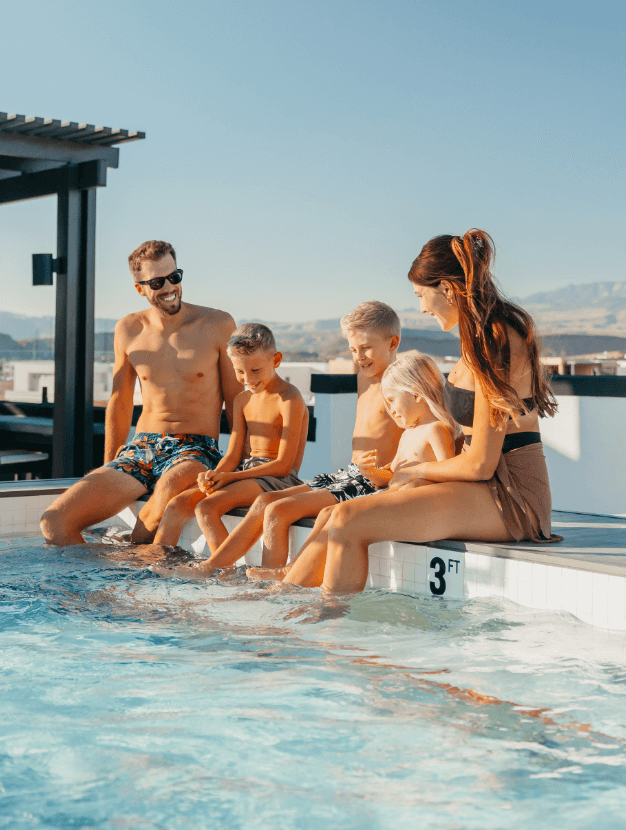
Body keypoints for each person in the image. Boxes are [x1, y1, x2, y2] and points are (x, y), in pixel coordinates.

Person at [316, 229, 561, 594]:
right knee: (335, 513)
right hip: (484, 488)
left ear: (447, 288)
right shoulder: (479, 340)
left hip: (512, 498)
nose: (421, 308)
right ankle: (294, 613)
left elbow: (480, 464)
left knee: (350, 518)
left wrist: (417, 469)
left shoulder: (495, 342)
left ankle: (336, 636)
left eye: (421, 295)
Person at [40, 240, 241, 546]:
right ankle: (104, 582)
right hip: (143, 447)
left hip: (196, 449)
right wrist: (108, 463)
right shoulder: (129, 329)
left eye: (175, 276)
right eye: (158, 282)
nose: (170, 287)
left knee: (167, 488)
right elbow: (120, 402)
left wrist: (242, 466)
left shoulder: (217, 324)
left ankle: (131, 564)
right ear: (140, 288)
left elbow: (239, 402)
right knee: (54, 523)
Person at [193, 301, 404, 576]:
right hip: (347, 474)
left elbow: (420, 431)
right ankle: (233, 570)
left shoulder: (401, 382)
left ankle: (272, 577)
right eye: (353, 349)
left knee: (278, 511)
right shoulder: (365, 378)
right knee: (265, 505)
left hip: (371, 481)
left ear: (393, 342)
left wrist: (391, 474)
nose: (358, 356)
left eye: (365, 348)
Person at [249, 350, 458, 586]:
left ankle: (294, 575)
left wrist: (420, 479)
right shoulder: (408, 433)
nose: (391, 410)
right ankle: (293, 568)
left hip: (408, 504)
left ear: (416, 394)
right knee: (328, 513)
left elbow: (448, 474)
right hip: (388, 495)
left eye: (392, 400)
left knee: (338, 516)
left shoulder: (435, 430)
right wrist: (372, 472)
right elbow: (392, 475)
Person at [152, 323, 309, 567]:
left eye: (255, 370)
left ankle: (225, 574)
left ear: (276, 360)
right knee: (178, 503)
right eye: (240, 372)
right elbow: (234, 453)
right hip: (244, 474)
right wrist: (216, 473)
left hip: (276, 478)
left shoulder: (289, 398)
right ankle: (157, 566)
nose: (248, 379)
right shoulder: (242, 400)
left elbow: (283, 466)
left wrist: (232, 478)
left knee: (206, 508)